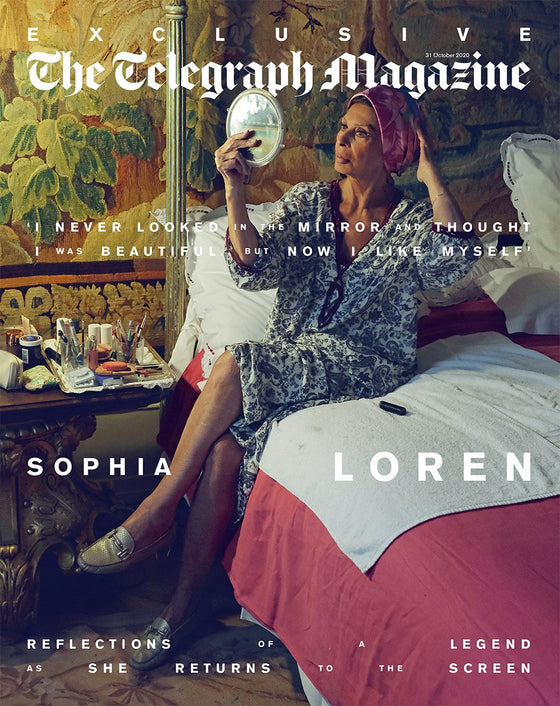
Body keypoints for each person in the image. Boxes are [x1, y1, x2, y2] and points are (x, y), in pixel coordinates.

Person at [77, 86, 481, 670]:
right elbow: (253, 267)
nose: (342, 139)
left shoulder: (412, 221)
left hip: (364, 364)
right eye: (342, 127)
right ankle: (181, 608)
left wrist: (431, 171)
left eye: (362, 131)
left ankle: (157, 510)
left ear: (392, 146)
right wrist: (235, 191)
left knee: (236, 361)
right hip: (295, 359)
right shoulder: (308, 204)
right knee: (224, 451)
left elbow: (456, 260)